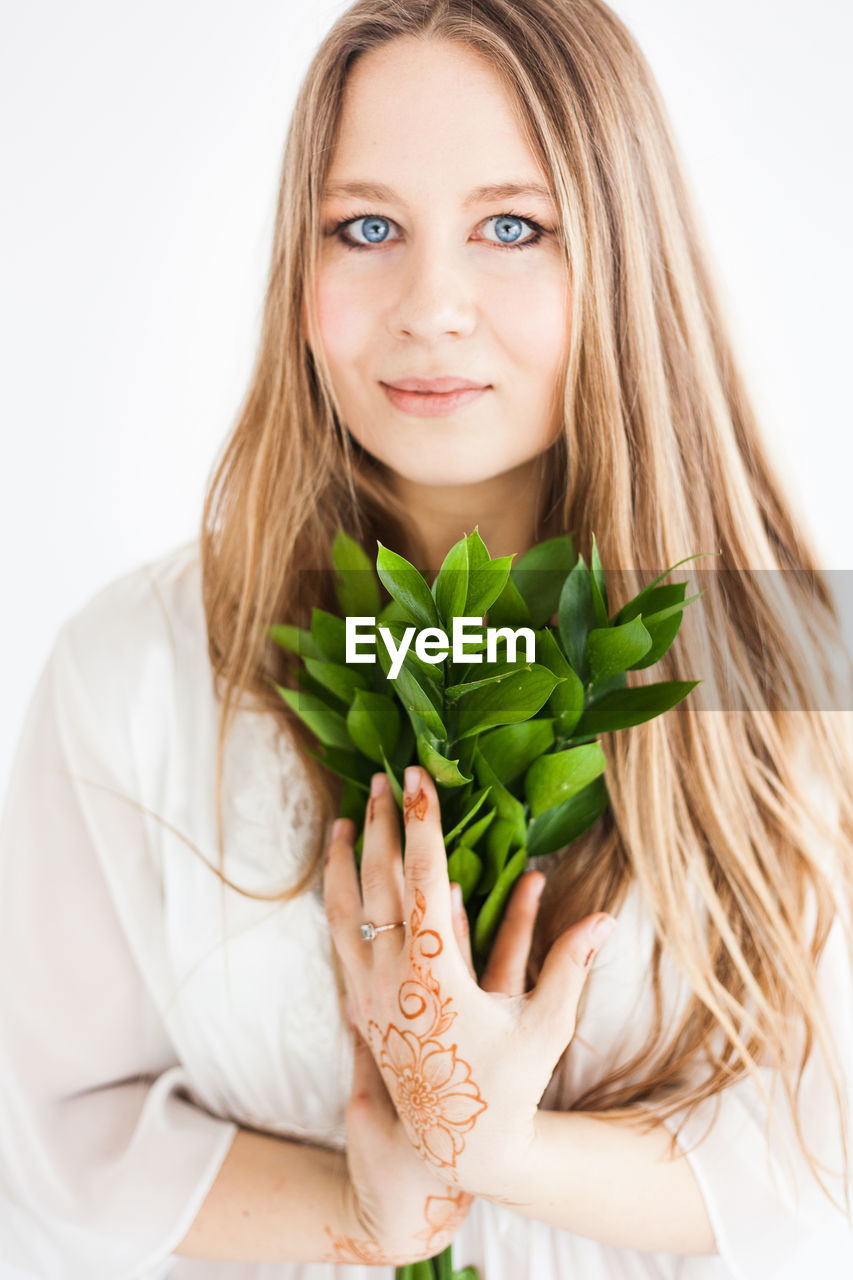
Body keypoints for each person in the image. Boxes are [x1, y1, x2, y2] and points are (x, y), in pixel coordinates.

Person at [1, 0, 851, 1276]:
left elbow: (821, 1146)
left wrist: (492, 1147)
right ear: (301, 262)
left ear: (623, 258)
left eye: (512, 226)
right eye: (366, 227)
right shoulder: (134, 666)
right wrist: (363, 1214)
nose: (432, 305)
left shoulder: (791, 663)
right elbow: (57, 1144)